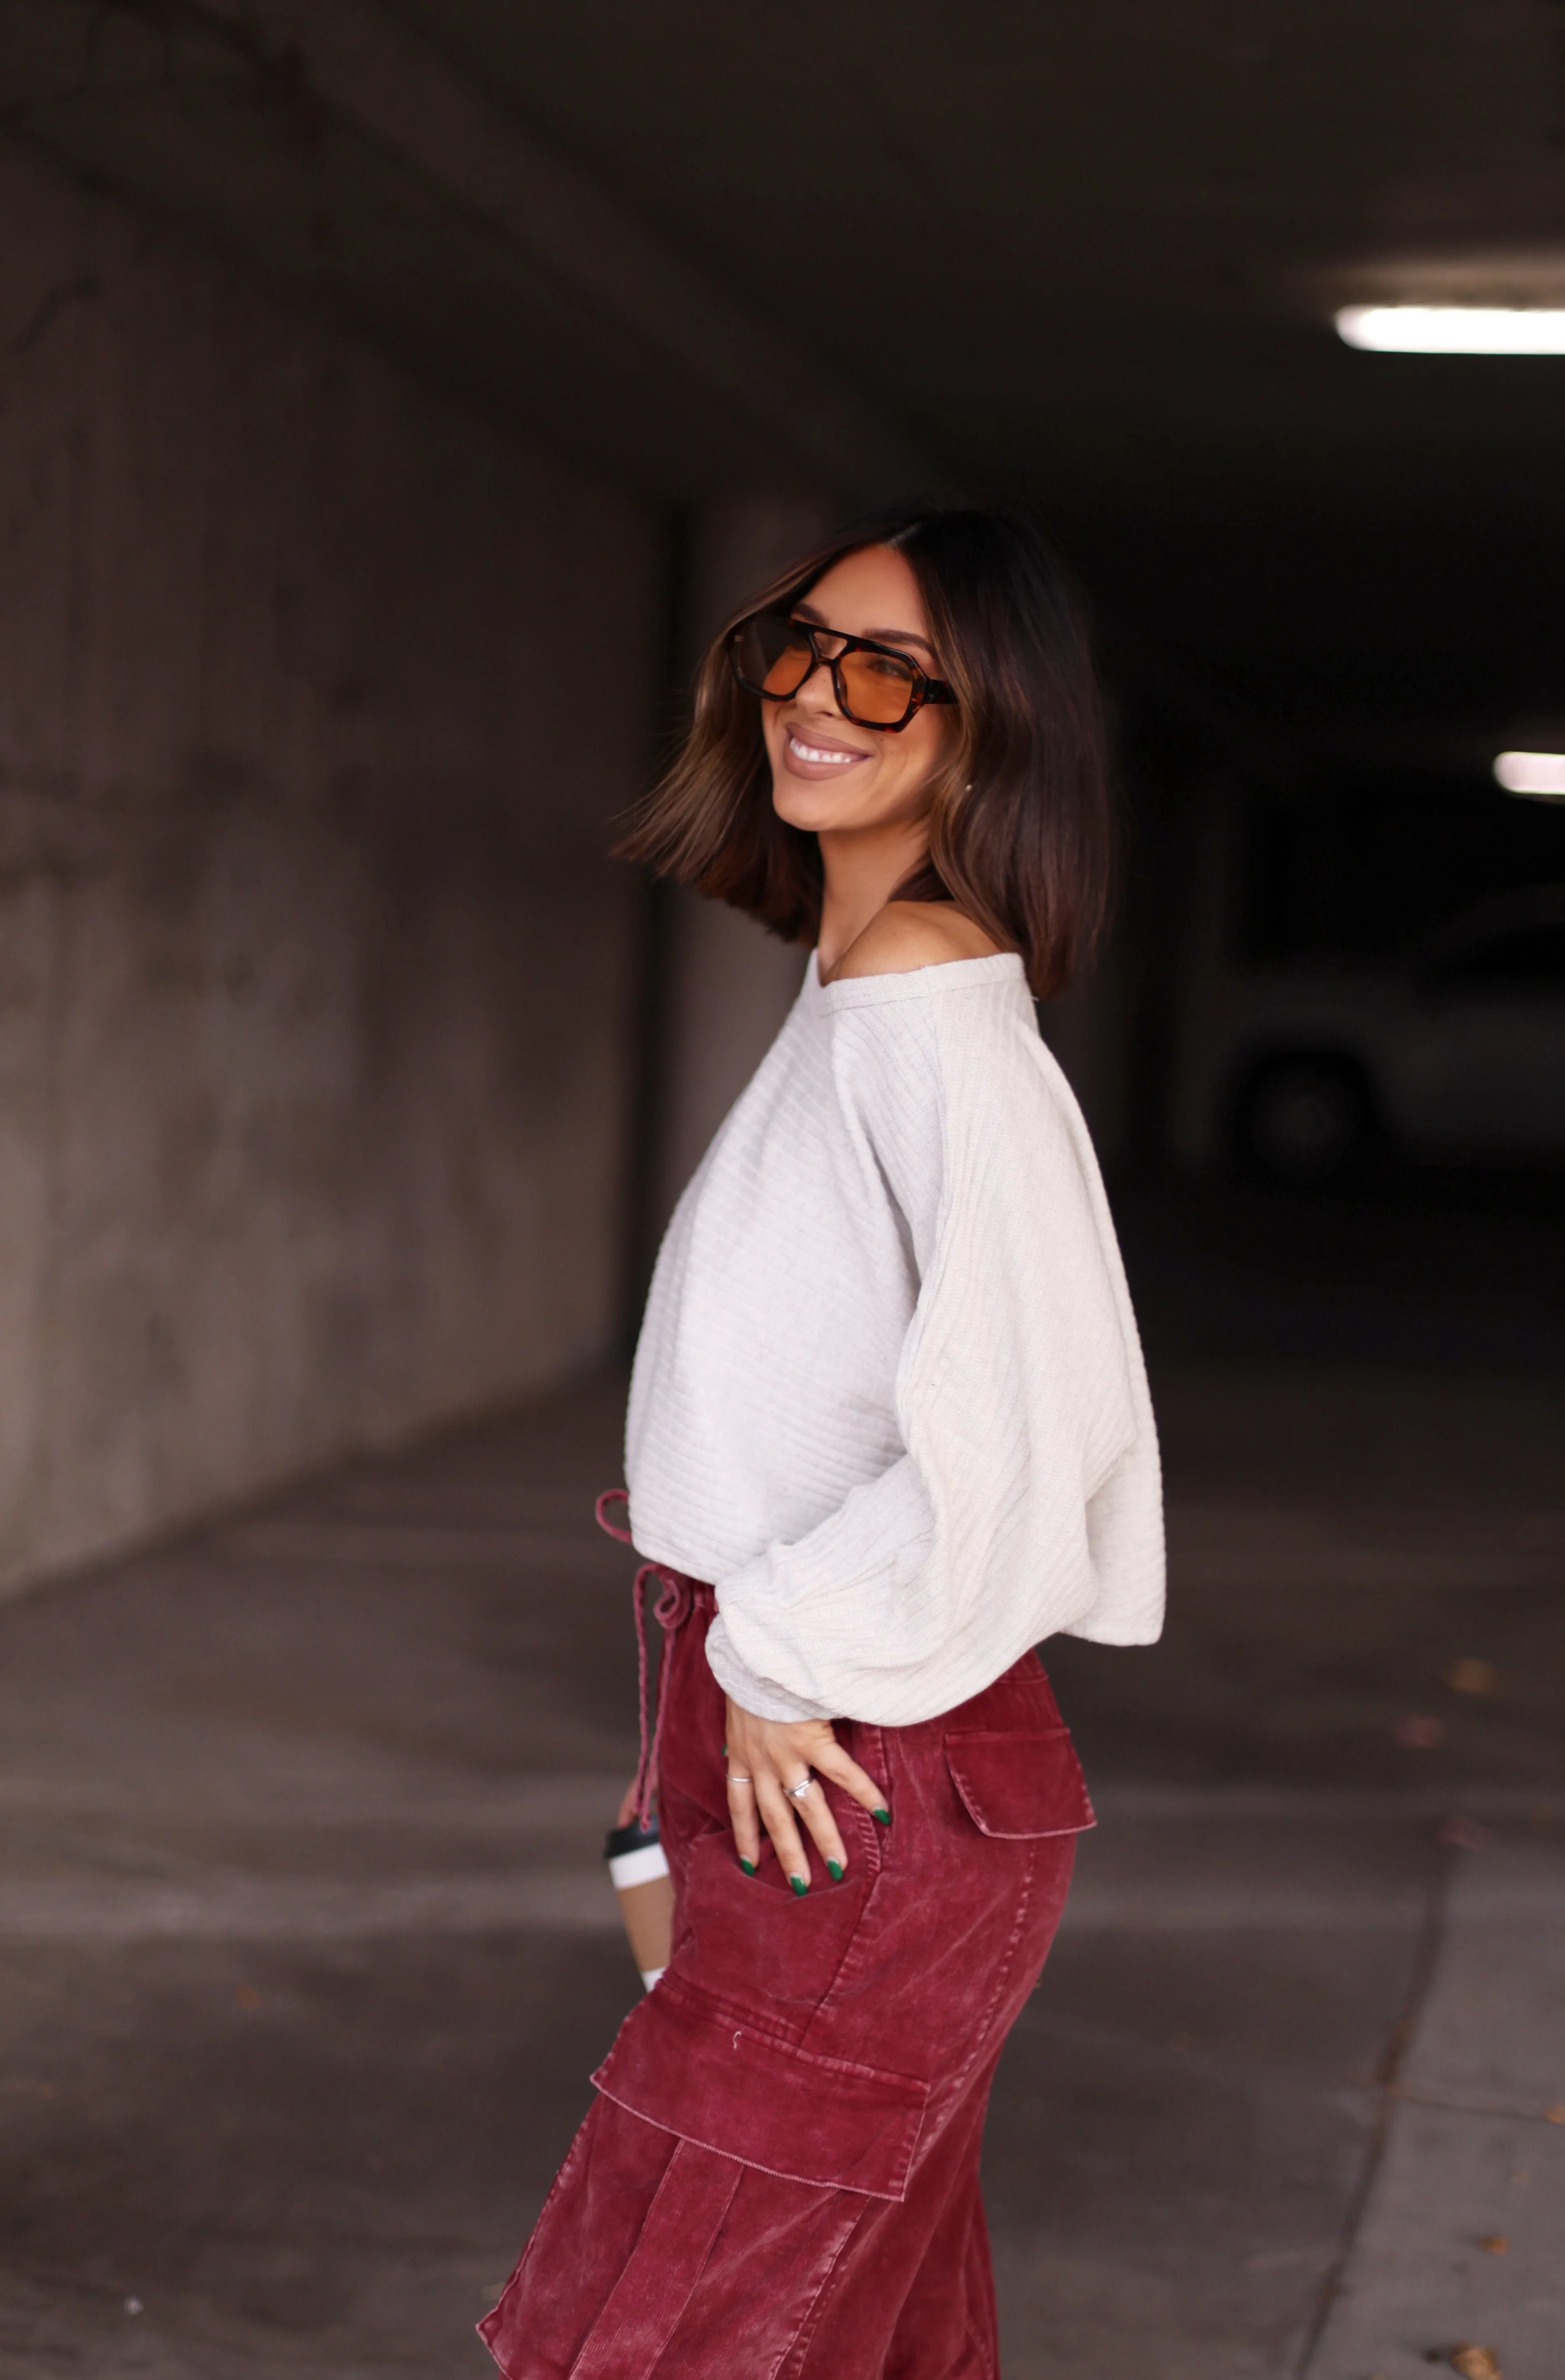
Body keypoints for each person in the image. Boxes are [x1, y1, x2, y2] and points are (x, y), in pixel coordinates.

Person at [480, 505, 1164, 2380]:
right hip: (831, 1750)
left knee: (657, 2331)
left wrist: (778, 1650)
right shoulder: (864, 985)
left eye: (889, 670)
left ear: (990, 727)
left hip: (861, 1764)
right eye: (799, 641)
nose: (817, 697)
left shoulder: (926, 1012)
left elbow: (1040, 1423)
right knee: (866, 2342)